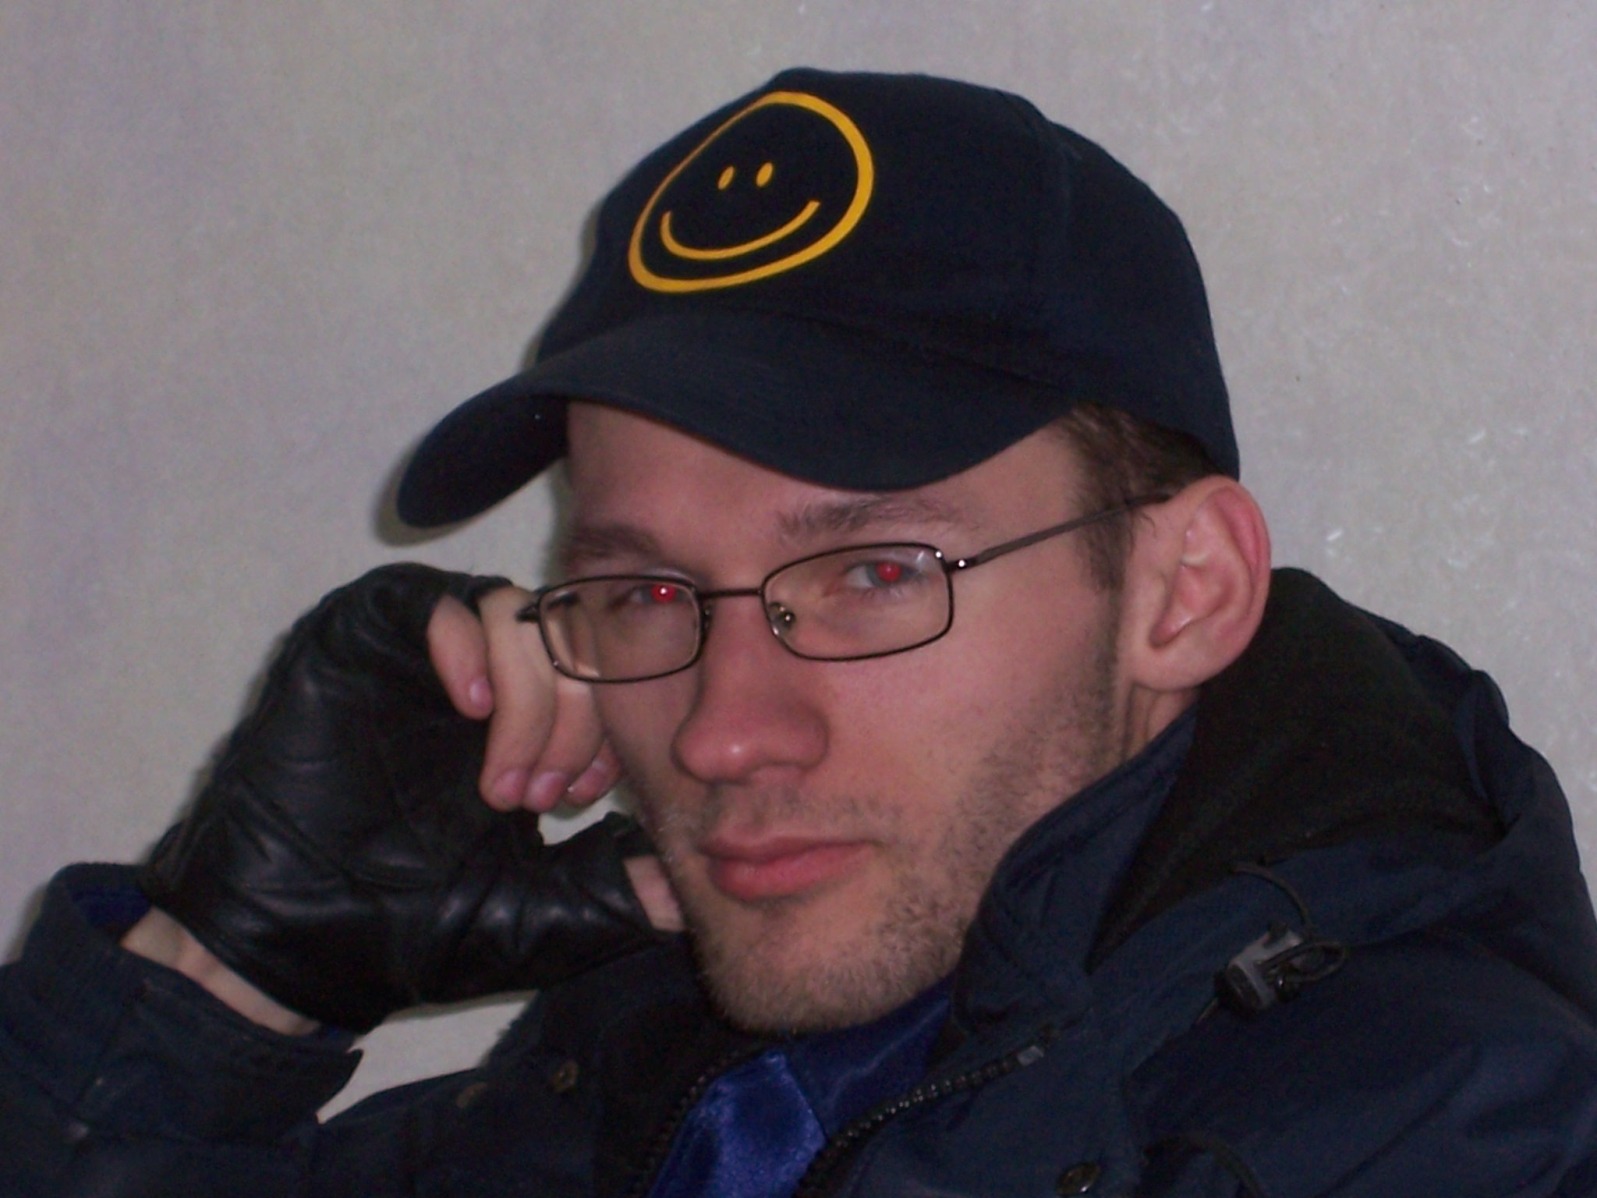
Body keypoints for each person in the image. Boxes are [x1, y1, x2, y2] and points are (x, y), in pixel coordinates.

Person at [4, 66, 1596, 1197]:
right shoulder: (665, 1069)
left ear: (1182, 593)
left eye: (874, 572)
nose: (718, 732)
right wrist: (230, 976)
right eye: (643, 594)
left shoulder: (1442, 1134)